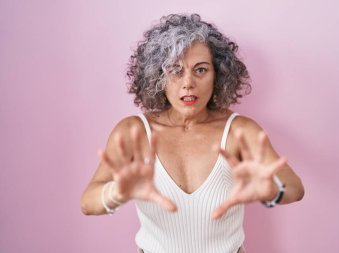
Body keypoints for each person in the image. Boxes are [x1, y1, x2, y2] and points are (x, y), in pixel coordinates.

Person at [80, 13, 305, 253]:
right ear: (158, 77)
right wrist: (116, 192)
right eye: (175, 70)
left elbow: (294, 188)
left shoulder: (240, 131)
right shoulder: (133, 132)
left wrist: (273, 191)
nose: (188, 82)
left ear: (218, 75)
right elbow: (87, 202)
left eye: (200, 70)